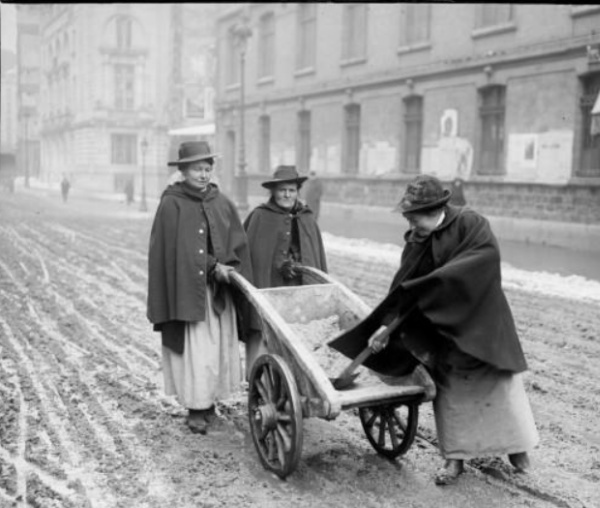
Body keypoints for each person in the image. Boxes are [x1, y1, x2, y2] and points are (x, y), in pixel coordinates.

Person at [332, 175, 539, 486]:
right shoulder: (417, 239)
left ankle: (517, 449)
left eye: (415, 218)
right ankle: (455, 457)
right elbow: (404, 288)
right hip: (444, 328)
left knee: (500, 386)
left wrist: (431, 285)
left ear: (434, 210)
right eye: (409, 219)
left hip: (482, 321)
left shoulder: (471, 223)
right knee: (451, 391)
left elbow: (482, 262)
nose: (412, 226)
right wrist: (387, 325)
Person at [146, 141, 254, 434]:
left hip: (218, 293)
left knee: (217, 346)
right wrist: (210, 266)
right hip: (189, 292)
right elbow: (174, 249)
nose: (203, 175)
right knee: (198, 350)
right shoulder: (172, 202)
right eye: (197, 169)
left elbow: (236, 239)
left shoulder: (221, 201)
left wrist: (230, 266)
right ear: (183, 171)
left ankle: (209, 401)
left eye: (207, 169)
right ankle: (196, 407)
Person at [243, 165, 328, 375]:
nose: (287, 194)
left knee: (299, 333)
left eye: (291, 190)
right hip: (269, 285)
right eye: (282, 190)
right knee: (264, 331)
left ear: (297, 191)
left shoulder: (307, 217)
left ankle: (296, 378)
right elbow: (253, 256)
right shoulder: (260, 217)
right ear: (273, 191)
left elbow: (314, 254)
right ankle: (260, 379)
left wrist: (299, 263)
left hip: (298, 288)